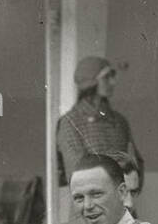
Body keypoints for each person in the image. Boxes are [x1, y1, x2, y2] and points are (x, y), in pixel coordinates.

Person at [56, 56, 141, 187]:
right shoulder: (70, 122)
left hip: (122, 199)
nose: (113, 82)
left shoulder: (120, 121)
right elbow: (77, 175)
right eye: (106, 77)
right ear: (91, 82)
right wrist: (117, 167)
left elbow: (135, 163)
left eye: (112, 77)